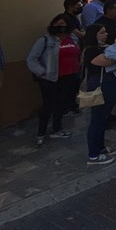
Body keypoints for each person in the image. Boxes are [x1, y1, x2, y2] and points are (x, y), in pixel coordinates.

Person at [82, 24, 116, 165]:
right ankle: (94, 155)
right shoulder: (90, 50)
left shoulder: (106, 47)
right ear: (94, 35)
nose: (105, 34)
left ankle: (101, 147)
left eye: (105, 32)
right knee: (97, 120)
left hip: (111, 84)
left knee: (104, 119)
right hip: (99, 85)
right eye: (102, 32)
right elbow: (108, 61)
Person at [26, 15, 78, 146]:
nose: (61, 26)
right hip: (50, 78)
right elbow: (32, 59)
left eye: (64, 23)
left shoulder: (73, 38)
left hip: (68, 76)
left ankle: (57, 128)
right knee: (47, 106)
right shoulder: (44, 40)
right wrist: (42, 72)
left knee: (61, 104)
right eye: (58, 24)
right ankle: (41, 133)